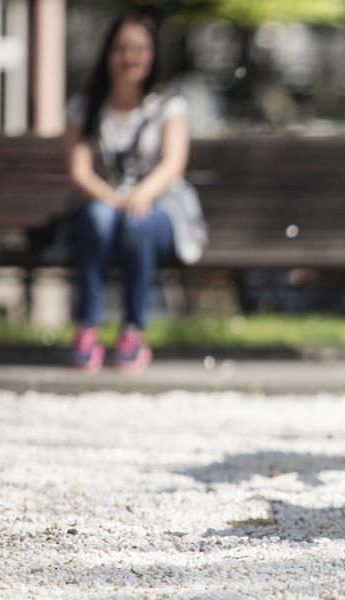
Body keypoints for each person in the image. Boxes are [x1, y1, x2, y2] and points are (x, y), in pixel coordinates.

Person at [66, 14, 207, 374]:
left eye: (140, 50)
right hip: (103, 210)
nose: (131, 57)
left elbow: (174, 164)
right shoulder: (85, 108)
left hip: (157, 212)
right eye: (122, 49)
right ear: (108, 53)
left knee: (136, 223)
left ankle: (133, 330)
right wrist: (111, 198)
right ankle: (88, 328)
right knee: (98, 216)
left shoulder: (168, 106)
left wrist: (141, 194)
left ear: (152, 55)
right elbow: (80, 171)